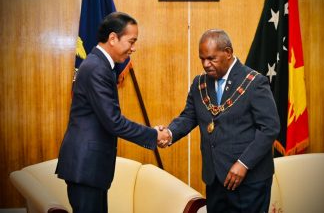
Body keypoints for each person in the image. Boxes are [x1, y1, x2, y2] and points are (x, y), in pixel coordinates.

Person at [56, 12, 170, 213]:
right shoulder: (97, 68)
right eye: (131, 41)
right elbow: (114, 122)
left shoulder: (100, 65)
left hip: (91, 167)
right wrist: (154, 135)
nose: (134, 48)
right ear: (113, 38)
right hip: (86, 167)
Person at [158, 29, 280, 213]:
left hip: (249, 180)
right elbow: (188, 116)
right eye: (202, 59)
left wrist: (244, 164)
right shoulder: (199, 83)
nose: (206, 64)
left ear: (228, 53)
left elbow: (270, 128)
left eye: (211, 58)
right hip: (214, 178)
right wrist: (169, 132)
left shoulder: (254, 82)